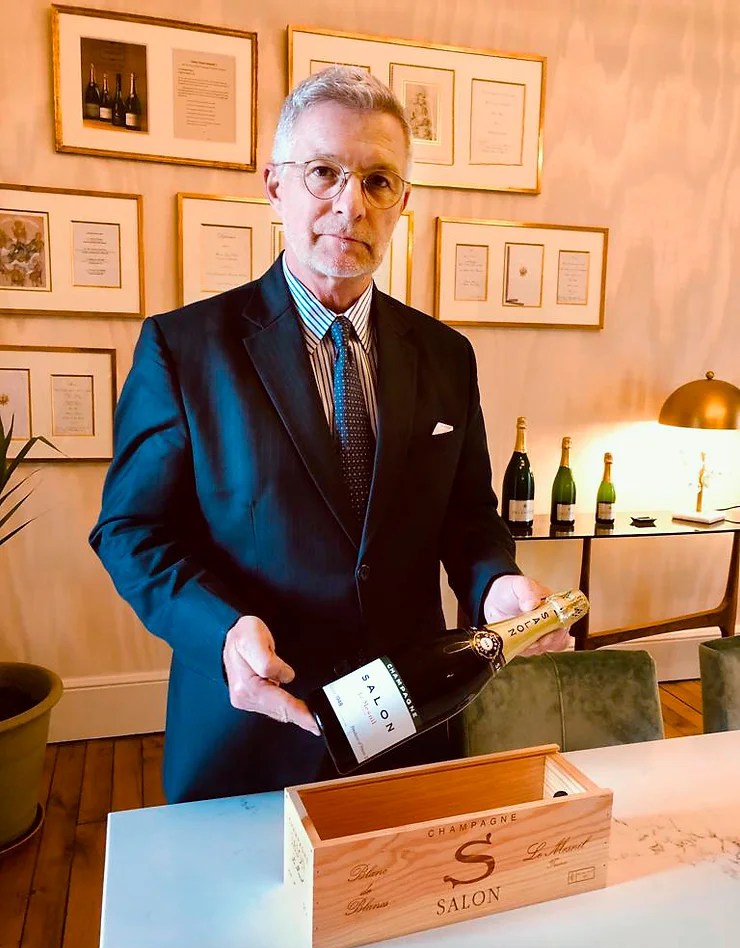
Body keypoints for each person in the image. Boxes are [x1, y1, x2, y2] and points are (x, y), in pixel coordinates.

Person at [90, 67, 570, 804]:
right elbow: (130, 530)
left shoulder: (446, 355)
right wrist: (221, 631)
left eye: (378, 181)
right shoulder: (184, 349)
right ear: (275, 185)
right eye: (324, 173)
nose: (351, 205)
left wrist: (494, 583)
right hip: (251, 728)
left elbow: (467, 514)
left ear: (402, 202)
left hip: (411, 720)